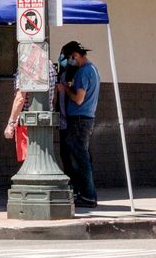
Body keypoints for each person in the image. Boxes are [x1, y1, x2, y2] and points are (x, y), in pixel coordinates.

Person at [57, 40, 101, 208]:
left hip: (79, 120)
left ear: (75, 55)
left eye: (70, 58)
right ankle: (85, 193)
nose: (70, 61)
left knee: (80, 159)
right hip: (86, 118)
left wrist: (65, 89)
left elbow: (79, 98)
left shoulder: (83, 72)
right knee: (82, 158)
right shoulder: (94, 70)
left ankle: (88, 195)